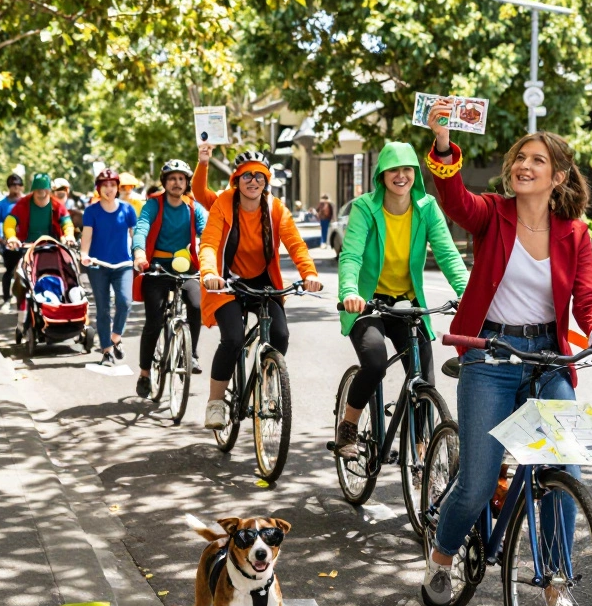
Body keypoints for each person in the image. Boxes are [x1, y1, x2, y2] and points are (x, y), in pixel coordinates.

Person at [419, 101, 592, 606]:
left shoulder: (574, 233)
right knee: (477, 483)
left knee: (565, 479)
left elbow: (587, 297)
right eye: (519, 158)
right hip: (489, 355)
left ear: (558, 176)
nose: (524, 165)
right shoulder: (492, 213)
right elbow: (454, 199)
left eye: (537, 160)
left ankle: (557, 602)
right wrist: (443, 144)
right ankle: (442, 556)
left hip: (549, 358)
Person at [333, 142, 470, 458]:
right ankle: (348, 427)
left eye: (407, 168)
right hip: (369, 304)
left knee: (424, 379)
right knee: (375, 362)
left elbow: (448, 255)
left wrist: (467, 292)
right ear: (381, 175)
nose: (401, 175)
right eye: (393, 169)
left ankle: (423, 455)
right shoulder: (366, 208)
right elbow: (351, 255)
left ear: (415, 174)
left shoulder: (427, 207)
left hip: (409, 304)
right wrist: (349, 293)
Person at [198, 151, 323, 430]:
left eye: (259, 176)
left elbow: (295, 244)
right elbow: (209, 243)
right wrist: (209, 273)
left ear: (266, 181)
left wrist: (309, 274)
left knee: (280, 334)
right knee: (232, 339)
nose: (252, 181)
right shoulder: (224, 204)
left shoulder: (276, 208)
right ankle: (215, 403)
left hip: (262, 280)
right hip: (226, 281)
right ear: (237, 180)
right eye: (247, 175)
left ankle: (267, 380)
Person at [132, 159, 209, 397]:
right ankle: (145, 373)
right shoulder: (154, 205)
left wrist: (210, 261)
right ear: (165, 182)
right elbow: (141, 228)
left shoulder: (194, 208)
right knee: (154, 321)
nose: (177, 183)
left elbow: (208, 235)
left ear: (187, 183)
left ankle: (192, 354)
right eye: (172, 178)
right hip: (156, 267)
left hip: (186, 268)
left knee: (196, 306)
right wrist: (139, 253)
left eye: (181, 179)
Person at [80, 168, 137, 368]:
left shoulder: (128, 209)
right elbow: (87, 235)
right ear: (99, 188)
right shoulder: (91, 211)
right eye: (105, 185)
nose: (109, 188)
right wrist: (84, 254)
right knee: (103, 309)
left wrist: (139, 254)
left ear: (118, 188)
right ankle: (106, 351)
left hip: (123, 265)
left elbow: (134, 234)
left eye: (113, 185)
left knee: (125, 302)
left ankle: (115, 337)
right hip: (98, 266)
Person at [2, 174, 76, 306]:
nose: (41, 193)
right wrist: (12, 237)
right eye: (38, 190)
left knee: (67, 273)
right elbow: (9, 221)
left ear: (49, 190)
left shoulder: (56, 205)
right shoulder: (24, 203)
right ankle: (21, 310)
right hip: (28, 247)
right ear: (33, 190)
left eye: (44, 189)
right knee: (21, 277)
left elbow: (67, 222)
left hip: (52, 248)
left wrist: (69, 235)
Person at [0, 174, 26, 306]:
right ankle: (6, 299)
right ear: (9, 187)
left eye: (18, 185)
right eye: (13, 185)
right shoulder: (2, 204)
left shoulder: (29, 202)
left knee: (29, 272)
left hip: (27, 242)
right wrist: (1, 239)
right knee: (10, 271)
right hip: (10, 243)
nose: (16, 188)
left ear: (22, 187)